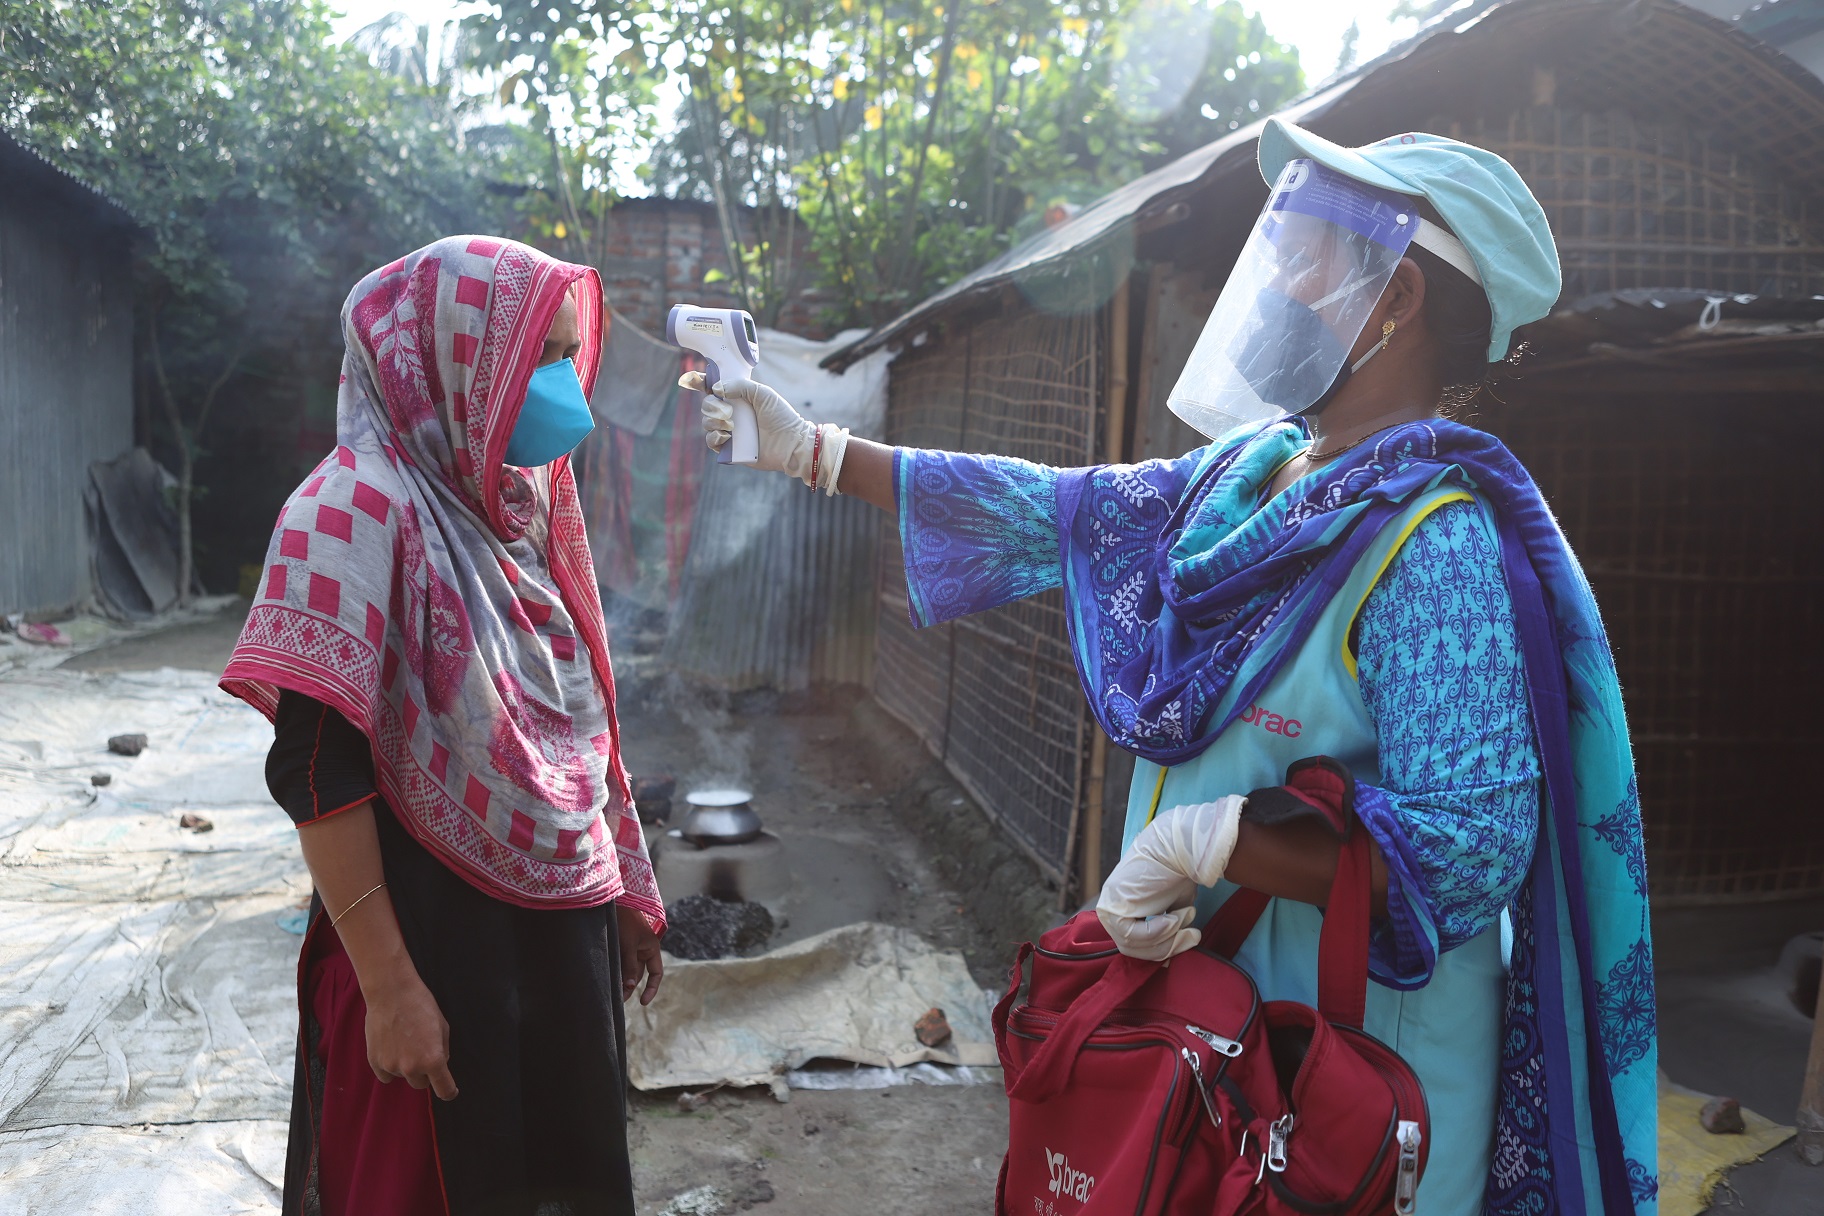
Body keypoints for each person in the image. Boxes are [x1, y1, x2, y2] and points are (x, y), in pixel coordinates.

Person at [689, 119, 1658, 1215]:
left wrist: (1211, 840)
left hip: (1354, 1105)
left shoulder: (1432, 546)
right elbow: (1049, 510)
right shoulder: (1247, 476)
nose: (1277, 276)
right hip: (1223, 1061)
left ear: (1394, 302)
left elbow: (1471, 849)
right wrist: (808, 447)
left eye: (1310, 252)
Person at [222, 235, 664, 1216]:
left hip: (555, 949)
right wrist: (389, 989)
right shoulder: (346, 517)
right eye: (539, 357)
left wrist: (622, 886)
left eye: (564, 353)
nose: (563, 390)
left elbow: (578, 719)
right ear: (452, 360)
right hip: (432, 959)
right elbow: (316, 773)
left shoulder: (521, 505)